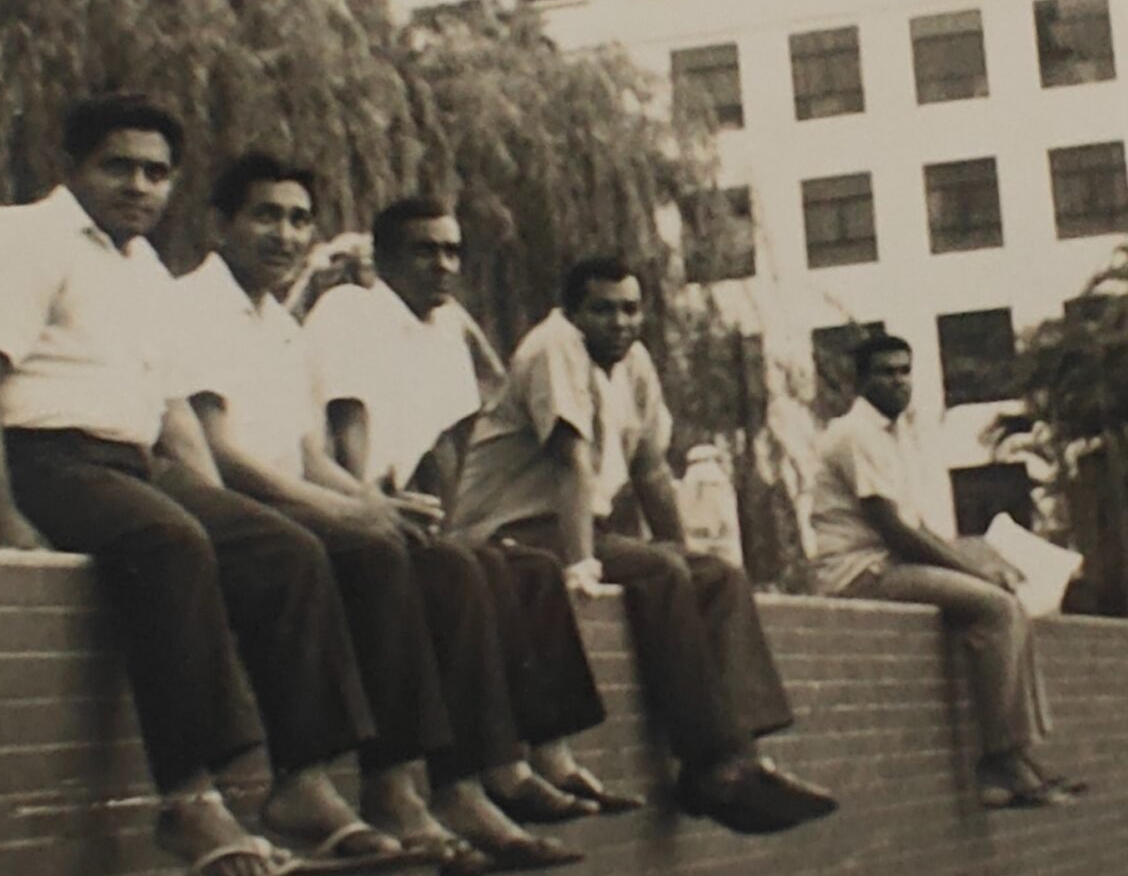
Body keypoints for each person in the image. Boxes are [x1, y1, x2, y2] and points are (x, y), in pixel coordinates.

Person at [0, 93, 382, 876]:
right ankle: (187, 800)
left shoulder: (144, 272)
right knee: (169, 542)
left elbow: (171, 412)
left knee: (283, 548)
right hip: (29, 453)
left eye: (157, 173)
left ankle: (301, 781)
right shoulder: (20, 236)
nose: (139, 186)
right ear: (70, 166)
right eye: (119, 167)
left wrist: (224, 510)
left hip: (121, 464)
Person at [174, 155, 586, 874]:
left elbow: (310, 454)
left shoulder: (280, 326)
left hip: (294, 499)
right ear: (219, 224)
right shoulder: (193, 305)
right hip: (240, 504)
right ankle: (368, 785)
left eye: (299, 219)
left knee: (445, 560)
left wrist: (374, 504)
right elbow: (219, 451)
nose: (285, 234)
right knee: (375, 553)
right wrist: (348, 513)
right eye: (266, 216)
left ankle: (461, 783)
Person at [451, 254, 838, 837]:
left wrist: (679, 548)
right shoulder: (554, 348)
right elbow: (572, 463)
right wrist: (582, 563)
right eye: (603, 310)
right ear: (572, 313)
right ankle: (711, 763)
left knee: (716, 576)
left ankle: (742, 754)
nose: (620, 322)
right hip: (511, 528)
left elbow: (652, 470)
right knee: (659, 572)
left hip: (572, 521)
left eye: (630, 309)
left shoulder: (633, 362)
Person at [303, 194, 635, 815]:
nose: (443, 265)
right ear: (384, 258)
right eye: (425, 251)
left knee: (529, 569)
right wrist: (370, 508)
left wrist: (455, 526)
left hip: (402, 506)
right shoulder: (350, 310)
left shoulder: (444, 330)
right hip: (341, 499)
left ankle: (551, 756)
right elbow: (349, 422)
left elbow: (449, 443)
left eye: (452, 251)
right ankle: (486, 775)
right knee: (458, 572)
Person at [811, 328, 1081, 810]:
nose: (898, 381)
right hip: (860, 574)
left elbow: (918, 528)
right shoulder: (855, 433)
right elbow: (895, 530)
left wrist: (980, 563)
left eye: (905, 371)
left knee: (1010, 602)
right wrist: (975, 574)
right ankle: (997, 759)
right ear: (861, 381)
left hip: (891, 566)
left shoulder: (894, 436)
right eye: (886, 373)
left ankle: (1019, 754)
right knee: (996, 608)